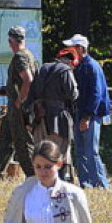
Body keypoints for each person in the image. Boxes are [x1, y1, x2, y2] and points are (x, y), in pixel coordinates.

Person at [0, 25, 38, 181]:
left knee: (22, 145)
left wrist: (19, 100)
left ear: (10, 41)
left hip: (19, 110)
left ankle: (34, 178)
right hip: (15, 108)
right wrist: (8, 90)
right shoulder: (29, 55)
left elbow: (28, 79)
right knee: (4, 142)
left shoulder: (20, 57)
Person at [65, 34, 112, 188]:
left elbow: (96, 94)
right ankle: (85, 183)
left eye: (73, 47)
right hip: (80, 113)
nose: (70, 49)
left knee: (91, 151)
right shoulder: (80, 66)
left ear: (80, 48)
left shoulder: (92, 66)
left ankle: (100, 184)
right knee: (80, 150)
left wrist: (87, 117)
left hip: (90, 115)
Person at [29, 48, 79, 181]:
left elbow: (31, 93)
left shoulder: (42, 68)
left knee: (42, 152)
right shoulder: (65, 70)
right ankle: (60, 183)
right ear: (70, 61)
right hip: (58, 118)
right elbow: (72, 94)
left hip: (40, 117)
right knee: (59, 153)